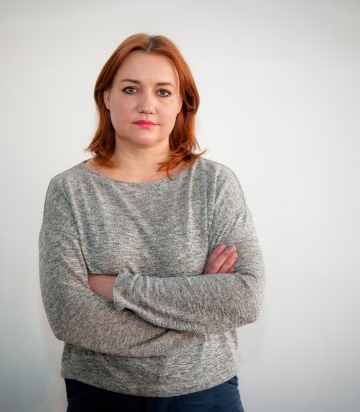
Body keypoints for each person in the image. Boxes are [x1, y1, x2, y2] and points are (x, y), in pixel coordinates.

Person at [39, 33, 265, 412]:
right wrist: (199, 310)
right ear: (106, 97)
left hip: (208, 393)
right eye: (130, 89)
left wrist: (117, 287)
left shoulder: (214, 184)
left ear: (181, 102)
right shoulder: (70, 190)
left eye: (163, 92)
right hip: (101, 395)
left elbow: (244, 298)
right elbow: (70, 317)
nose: (147, 105)